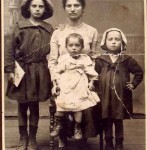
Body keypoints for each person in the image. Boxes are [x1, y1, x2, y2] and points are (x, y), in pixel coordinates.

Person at [48, 0, 100, 149]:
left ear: (82, 8)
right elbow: (52, 61)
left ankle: (82, 137)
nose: (72, 9)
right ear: (64, 9)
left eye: (76, 5)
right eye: (69, 6)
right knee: (62, 100)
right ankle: (62, 137)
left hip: (84, 78)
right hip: (62, 79)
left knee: (87, 101)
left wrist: (91, 79)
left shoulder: (92, 31)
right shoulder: (58, 32)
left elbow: (95, 58)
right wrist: (55, 83)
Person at [4, 0, 54, 150]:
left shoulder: (49, 29)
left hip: (40, 70)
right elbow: (9, 50)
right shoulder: (19, 26)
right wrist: (10, 70)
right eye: (34, 6)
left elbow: (56, 49)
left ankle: (32, 137)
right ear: (28, 8)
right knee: (22, 104)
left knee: (34, 105)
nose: (37, 9)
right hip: (22, 70)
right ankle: (22, 137)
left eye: (41, 6)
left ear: (45, 9)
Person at [95, 28, 143, 150]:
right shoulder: (100, 60)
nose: (113, 42)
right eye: (110, 39)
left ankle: (119, 143)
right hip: (104, 96)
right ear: (105, 42)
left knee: (118, 119)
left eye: (117, 39)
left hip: (120, 96)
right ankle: (108, 143)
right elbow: (94, 76)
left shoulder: (126, 60)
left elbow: (139, 72)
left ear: (122, 42)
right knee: (107, 119)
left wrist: (133, 84)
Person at [50, 33, 100, 140]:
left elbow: (92, 73)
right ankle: (58, 125)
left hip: (79, 86)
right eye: (71, 45)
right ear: (66, 47)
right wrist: (56, 85)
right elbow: (57, 72)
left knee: (79, 107)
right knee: (60, 105)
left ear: (82, 47)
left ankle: (78, 128)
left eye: (77, 45)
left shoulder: (85, 58)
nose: (74, 48)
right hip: (66, 85)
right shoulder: (63, 58)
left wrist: (91, 83)